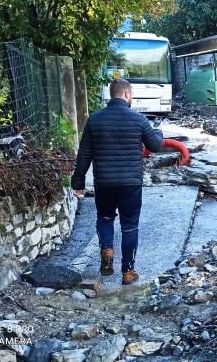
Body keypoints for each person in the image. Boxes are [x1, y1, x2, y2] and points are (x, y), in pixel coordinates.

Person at [71, 79, 163, 285]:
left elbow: (84, 154)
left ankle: (107, 250)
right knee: (129, 226)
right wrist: (158, 131)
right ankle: (128, 272)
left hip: (104, 182)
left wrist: (78, 182)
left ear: (111, 95)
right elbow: (156, 145)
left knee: (105, 218)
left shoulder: (94, 120)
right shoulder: (138, 119)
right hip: (130, 184)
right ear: (127, 95)